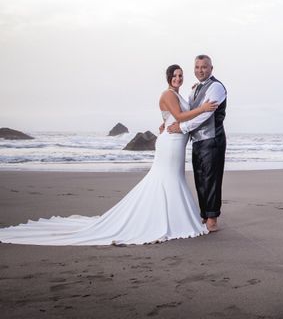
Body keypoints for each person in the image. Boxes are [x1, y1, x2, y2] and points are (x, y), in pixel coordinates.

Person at [0, 65, 216, 245]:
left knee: (173, 179)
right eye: (175, 75)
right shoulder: (167, 93)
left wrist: (166, 122)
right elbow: (179, 115)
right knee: (166, 179)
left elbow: (172, 117)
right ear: (168, 77)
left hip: (177, 141)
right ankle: (169, 221)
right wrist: (204, 108)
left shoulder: (177, 93)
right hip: (170, 143)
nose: (178, 78)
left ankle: (173, 218)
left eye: (180, 75)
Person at [168, 54, 227, 233]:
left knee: (212, 179)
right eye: (197, 67)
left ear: (211, 68)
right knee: (200, 179)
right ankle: (204, 215)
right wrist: (168, 121)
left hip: (212, 139)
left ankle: (212, 219)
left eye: (204, 67)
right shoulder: (194, 89)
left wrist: (182, 127)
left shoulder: (216, 87)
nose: (200, 70)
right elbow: (187, 111)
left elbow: (204, 114)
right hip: (198, 140)